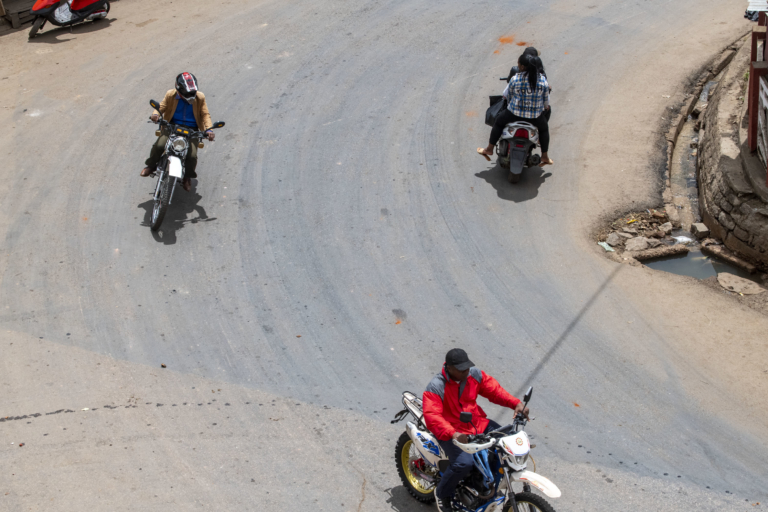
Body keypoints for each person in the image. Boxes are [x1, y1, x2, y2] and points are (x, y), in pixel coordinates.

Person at [423, 348, 529, 512]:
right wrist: (453, 433)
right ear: (449, 368)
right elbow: (432, 416)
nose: (466, 371)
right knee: (463, 463)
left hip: (476, 423)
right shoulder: (436, 386)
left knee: (507, 441)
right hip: (451, 431)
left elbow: (494, 391)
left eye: (467, 367)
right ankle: (443, 494)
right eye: (461, 369)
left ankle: (485, 483)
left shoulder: (474, 375)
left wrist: (515, 403)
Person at [140, 72, 215, 192]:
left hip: (192, 130)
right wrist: (155, 114)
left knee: (191, 156)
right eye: (187, 93)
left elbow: (205, 114)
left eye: (192, 92)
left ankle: (187, 177)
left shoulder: (200, 97)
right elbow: (161, 107)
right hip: (172, 126)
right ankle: (151, 166)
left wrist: (209, 129)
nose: (191, 95)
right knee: (159, 145)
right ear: (179, 89)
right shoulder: (171, 94)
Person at [479, 53, 553, 167]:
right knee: (544, 130)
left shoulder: (516, 78)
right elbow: (546, 103)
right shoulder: (543, 81)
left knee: (498, 123)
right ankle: (544, 156)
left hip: (513, 114)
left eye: (518, 64)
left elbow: (508, 96)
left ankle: (489, 149)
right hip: (535, 117)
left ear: (522, 66)